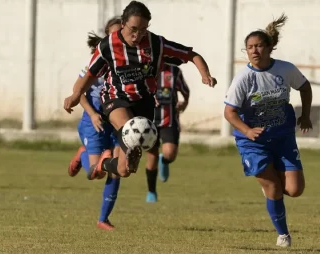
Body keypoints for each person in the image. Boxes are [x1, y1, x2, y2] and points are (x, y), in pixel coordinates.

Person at [63, 1, 217, 181]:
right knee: (129, 130)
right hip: (115, 98)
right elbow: (90, 74)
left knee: (123, 170)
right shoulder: (108, 46)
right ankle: (130, 148)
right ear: (123, 23)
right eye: (133, 29)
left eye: (143, 29)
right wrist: (75, 95)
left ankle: (103, 164)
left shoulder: (155, 43)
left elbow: (191, 55)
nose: (137, 35)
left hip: (144, 101)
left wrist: (205, 74)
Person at [223, 14, 312, 247]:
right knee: (273, 186)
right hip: (252, 142)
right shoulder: (243, 78)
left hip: (282, 137)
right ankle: (283, 235)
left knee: (294, 190)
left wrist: (305, 115)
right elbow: (229, 113)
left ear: (270, 47)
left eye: (259, 46)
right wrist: (247, 130)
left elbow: (305, 87)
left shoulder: (284, 69)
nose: (254, 51)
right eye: (250, 47)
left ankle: (271, 192)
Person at [67, 17, 122, 231]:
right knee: (93, 174)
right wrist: (92, 114)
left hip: (116, 122)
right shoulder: (97, 60)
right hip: (95, 122)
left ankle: (103, 219)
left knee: (117, 169)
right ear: (107, 36)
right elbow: (77, 91)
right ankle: (83, 154)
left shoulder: (129, 63)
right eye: (113, 35)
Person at [145, 64, 190, 203]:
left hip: (169, 120)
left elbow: (185, 91)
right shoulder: (145, 69)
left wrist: (184, 103)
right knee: (151, 159)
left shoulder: (174, 71)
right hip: (149, 120)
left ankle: (164, 160)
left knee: (170, 153)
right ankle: (151, 192)